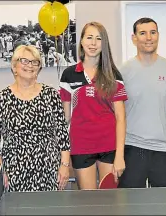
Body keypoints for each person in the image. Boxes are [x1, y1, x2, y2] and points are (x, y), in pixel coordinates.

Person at [0, 45, 71, 192]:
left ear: (39, 68)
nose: (30, 65)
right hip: (14, 171)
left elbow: (62, 133)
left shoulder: (51, 95)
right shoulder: (1, 98)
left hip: (49, 169)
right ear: (14, 66)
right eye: (24, 61)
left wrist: (64, 165)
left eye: (35, 62)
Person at [59, 21, 127, 190]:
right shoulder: (68, 75)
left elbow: (121, 117)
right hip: (81, 145)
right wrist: (63, 159)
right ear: (81, 41)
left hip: (109, 145)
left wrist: (120, 155)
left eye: (98, 38)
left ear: (104, 44)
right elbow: (65, 119)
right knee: (88, 203)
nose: (93, 43)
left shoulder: (113, 74)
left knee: (110, 202)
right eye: (89, 37)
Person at [118, 17, 166, 188]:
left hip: (164, 149)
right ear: (134, 38)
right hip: (132, 148)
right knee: (130, 205)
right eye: (143, 33)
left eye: (153, 32)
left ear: (158, 35)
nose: (149, 37)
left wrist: (159, 127)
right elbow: (118, 112)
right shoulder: (123, 71)